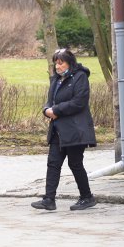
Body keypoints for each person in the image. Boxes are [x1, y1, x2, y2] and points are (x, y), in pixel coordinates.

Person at [31, 48, 97, 211]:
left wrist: (57, 110)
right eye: (56, 63)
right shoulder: (56, 79)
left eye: (61, 63)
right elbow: (49, 101)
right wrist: (46, 110)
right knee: (53, 164)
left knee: (75, 163)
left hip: (75, 129)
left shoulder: (80, 77)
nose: (58, 66)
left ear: (70, 63)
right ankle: (49, 199)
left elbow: (79, 102)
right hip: (57, 129)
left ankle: (87, 197)